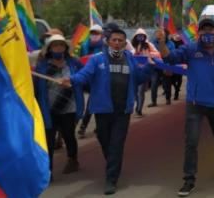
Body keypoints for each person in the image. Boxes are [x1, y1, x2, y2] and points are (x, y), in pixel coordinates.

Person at [155, 19, 214, 197]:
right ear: (199, 33)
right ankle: (189, 180)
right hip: (195, 104)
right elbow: (169, 58)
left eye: (211, 30)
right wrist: (161, 41)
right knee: (191, 142)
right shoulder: (190, 49)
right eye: (204, 30)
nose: (208, 34)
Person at [61, 28, 153, 195]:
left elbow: (139, 77)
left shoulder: (130, 59)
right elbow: (85, 75)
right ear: (108, 42)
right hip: (103, 110)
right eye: (114, 40)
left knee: (116, 145)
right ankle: (113, 163)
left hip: (123, 111)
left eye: (121, 41)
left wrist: (149, 68)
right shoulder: (97, 60)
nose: (117, 43)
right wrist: (72, 80)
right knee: (105, 141)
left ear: (125, 43)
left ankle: (111, 179)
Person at [34, 34, 84, 179]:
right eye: (55, 45)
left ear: (65, 47)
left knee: (69, 135)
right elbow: (37, 88)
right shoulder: (42, 66)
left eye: (61, 45)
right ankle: (48, 171)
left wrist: (74, 82)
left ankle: (73, 160)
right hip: (49, 109)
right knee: (48, 140)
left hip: (69, 108)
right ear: (49, 48)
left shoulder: (74, 63)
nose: (58, 48)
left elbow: (84, 78)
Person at [77, 24, 105, 138]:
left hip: (100, 77)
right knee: (93, 101)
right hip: (88, 77)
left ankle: (85, 126)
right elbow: (80, 60)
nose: (94, 35)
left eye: (97, 33)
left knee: (94, 101)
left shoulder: (105, 45)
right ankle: (86, 126)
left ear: (101, 34)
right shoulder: (84, 45)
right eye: (92, 33)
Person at [131, 28, 161, 116]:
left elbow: (157, 54)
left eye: (142, 36)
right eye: (138, 36)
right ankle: (137, 106)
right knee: (135, 91)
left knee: (141, 91)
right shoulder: (134, 45)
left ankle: (139, 109)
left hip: (146, 70)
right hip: (136, 70)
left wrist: (148, 55)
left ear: (145, 37)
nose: (140, 37)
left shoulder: (149, 45)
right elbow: (129, 54)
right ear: (136, 37)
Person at [170, 34, 185, 100]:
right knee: (172, 79)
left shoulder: (182, 42)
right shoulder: (171, 41)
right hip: (173, 61)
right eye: (176, 34)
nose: (177, 35)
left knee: (179, 78)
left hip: (180, 61)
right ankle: (176, 88)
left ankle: (176, 92)